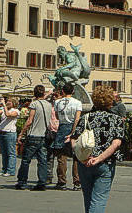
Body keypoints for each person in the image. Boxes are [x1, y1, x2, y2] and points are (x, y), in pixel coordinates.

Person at [70, 85, 124, 213]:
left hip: (84, 162)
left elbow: (73, 139)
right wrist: (99, 158)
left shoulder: (86, 117)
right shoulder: (116, 119)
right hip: (105, 163)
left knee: (88, 199)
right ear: (111, 101)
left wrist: (81, 157)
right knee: (99, 199)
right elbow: (116, 143)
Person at [16, 85, 53, 190]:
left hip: (33, 135)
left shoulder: (34, 104)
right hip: (44, 135)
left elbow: (29, 121)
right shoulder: (49, 105)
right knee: (42, 160)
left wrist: (21, 134)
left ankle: (22, 181)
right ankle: (42, 182)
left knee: (26, 160)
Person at [52, 83, 82, 191]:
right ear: (73, 91)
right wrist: (73, 132)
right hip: (73, 128)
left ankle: (62, 182)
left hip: (62, 127)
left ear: (63, 91)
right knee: (76, 157)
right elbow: (77, 119)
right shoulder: (77, 103)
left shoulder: (57, 102)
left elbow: (56, 116)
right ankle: (77, 182)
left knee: (61, 157)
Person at [0, 97, 19, 177]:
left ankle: (11, 170)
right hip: (2, 132)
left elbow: (8, 115)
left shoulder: (16, 111)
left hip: (10, 133)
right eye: (7, 101)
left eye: (9, 101)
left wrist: (4, 105)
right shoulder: (4, 110)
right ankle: (4, 169)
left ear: (14, 103)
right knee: (4, 153)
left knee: (11, 153)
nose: (7, 102)